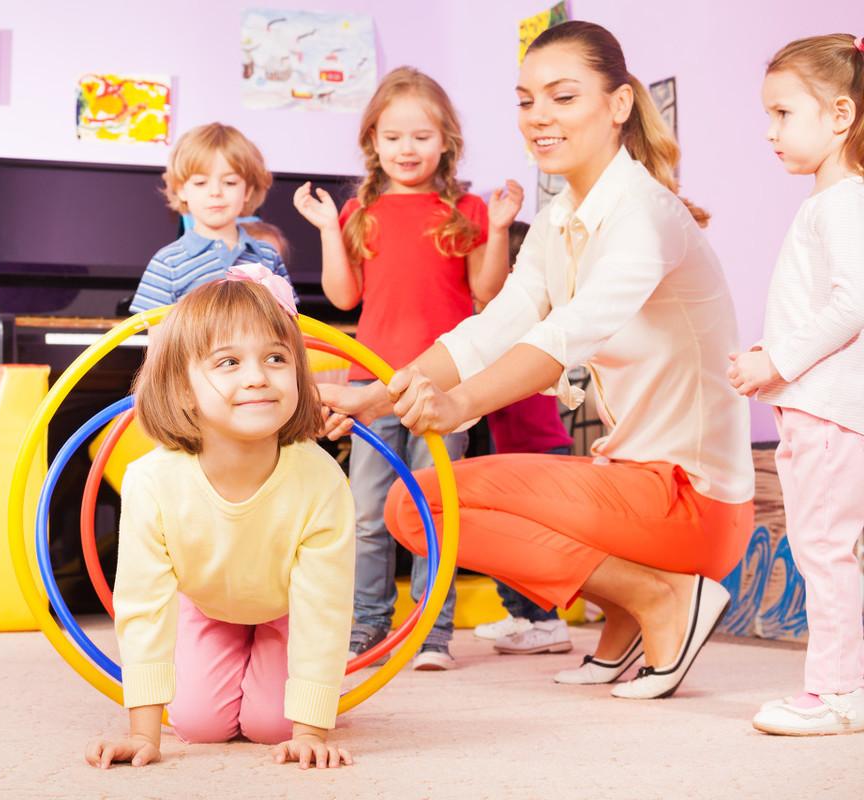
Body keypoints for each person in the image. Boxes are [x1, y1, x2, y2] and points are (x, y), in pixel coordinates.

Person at [320, 20, 755, 700]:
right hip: (635, 484)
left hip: (691, 501)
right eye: (525, 100)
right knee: (413, 507)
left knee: (417, 508)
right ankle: (626, 615)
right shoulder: (559, 219)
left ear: (617, 106)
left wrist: (458, 404)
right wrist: (375, 396)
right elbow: (494, 325)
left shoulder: (643, 213)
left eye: (562, 97)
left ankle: (663, 596)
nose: (538, 118)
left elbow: (566, 337)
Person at [86, 274, 355, 769]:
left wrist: (311, 729)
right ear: (183, 390)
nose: (257, 377)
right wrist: (145, 734)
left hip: (285, 609)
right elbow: (143, 603)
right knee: (198, 725)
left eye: (276, 358)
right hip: (209, 604)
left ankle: (280, 675)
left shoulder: (320, 478)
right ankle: (231, 656)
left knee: (273, 727)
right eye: (228, 363)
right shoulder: (152, 480)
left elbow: (325, 607)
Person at [294, 66, 513, 670]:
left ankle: (431, 632)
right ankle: (367, 625)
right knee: (366, 512)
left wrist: (496, 232)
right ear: (373, 142)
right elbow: (342, 298)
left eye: (421, 136)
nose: (407, 149)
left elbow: (487, 292)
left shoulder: (464, 208)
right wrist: (325, 230)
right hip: (371, 384)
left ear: (446, 141)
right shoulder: (360, 212)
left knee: (433, 507)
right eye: (392, 137)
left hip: (442, 386)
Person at [728, 33, 864, 736]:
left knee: (823, 549)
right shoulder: (832, 202)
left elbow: (852, 303)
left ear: (839, 115)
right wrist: (771, 356)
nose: (770, 131)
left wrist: (775, 362)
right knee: (829, 547)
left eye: (783, 114)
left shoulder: (840, 202)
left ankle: (838, 693)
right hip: (819, 407)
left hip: (826, 413)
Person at [474, 220, 579, 658]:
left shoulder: (525, 324)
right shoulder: (510, 322)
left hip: (538, 451)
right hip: (519, 449)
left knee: (525, 544)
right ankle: (522, 616)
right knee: (503, 541)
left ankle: (546, 623)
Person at [129, 123, 292, 314]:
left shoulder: (268, 255)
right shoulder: (167, 262)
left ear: (247, 191)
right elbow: (158, 341)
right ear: (181, 190)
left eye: (230, 182)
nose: (215, 192)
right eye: (200, 183)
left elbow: (289, 325)